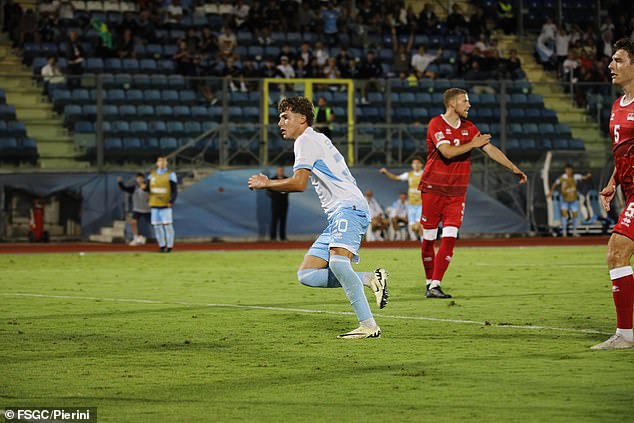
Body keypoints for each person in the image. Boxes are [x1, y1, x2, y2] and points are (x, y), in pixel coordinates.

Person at [248, 96, 388, 339]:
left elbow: (299, 183)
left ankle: (368, 325)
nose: (280, 122)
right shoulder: (315, 138)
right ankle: (368, 278)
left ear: (302, 118)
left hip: (348, 207)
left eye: (285, 117)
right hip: (341, 212)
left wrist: (267, 183)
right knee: (308, 275)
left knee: (337, 263)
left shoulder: (305, 141)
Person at [419, 88, 527, 299]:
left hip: (457, 193)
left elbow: (490, 149)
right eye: (464, 101)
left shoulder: (470, 128)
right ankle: (428, 281)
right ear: (452, 104)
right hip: (432, 188)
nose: (469, 105)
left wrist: (513, 168)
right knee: (429, 239)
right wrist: (473, 144)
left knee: (450, 236)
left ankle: (435, 285)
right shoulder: (436, 124)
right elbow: (447, 151)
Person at [591, 38, 634, 350]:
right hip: (628, 190)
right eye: (611, 60)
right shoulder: (617, 106)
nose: (611, 66)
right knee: (619, 253)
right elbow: (623, 153)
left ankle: (626, 335)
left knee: (616, 251)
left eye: (618, 60)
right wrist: (613, 182)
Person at [379, 156, 424, 240]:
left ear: (421, 165)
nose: (416, 165)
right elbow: (395, 178)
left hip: (421, 204)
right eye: (414, 163)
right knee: (413, 227)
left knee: (419, 224)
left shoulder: (425, 174)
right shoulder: (409, 175)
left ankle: (425, 245)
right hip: (411, 205)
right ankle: (424, 239)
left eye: (418, 163)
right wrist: (386, 172)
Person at [547, 164, 592, 237]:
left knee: (575, 215)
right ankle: (564, 231)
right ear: (565, 170)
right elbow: (555, 183)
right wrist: (551, 192)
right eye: (567, 169)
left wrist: (588, 176)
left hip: (573, 199)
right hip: (564, 199)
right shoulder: (563, 177)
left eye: (570, 169)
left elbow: (584, 177)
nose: (568, 171)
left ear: (572, 170)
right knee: (564, 214)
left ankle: (574, 231)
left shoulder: (575, 176)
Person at [144, 156, 178, 253]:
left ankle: (170, 246)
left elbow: (174, 190)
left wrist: (171, 201)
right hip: (154, 204)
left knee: (167, 225)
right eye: (160, 161)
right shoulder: (152, 175)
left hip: (165, 205)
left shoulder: (170, 175)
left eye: (164, 161)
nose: (162, 163)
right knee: (157, 226)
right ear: (157, 163)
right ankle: (162, 246)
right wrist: (144, 187)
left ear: (166, 163)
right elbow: (148, 188)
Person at [117, 173, 150, 246]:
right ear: (136, 179)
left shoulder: (147, 187)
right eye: (138, 178)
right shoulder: (134, 188)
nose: (139, 179)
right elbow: (125, 189)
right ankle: (136, 238)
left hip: (147, 209)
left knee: (155, 224)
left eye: (141, 178)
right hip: (137, 209)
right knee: (133, 222)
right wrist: (120, 183)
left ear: (143, 179)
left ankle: (163, 238)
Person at [267, 166, 289, 241]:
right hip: (275, 204)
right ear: (277, 171)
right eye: (279, 170)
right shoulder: (272, 180)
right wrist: (275, 196)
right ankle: (273, 237)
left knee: (283, 221)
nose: (280, 172)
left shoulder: (287, 179)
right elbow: (268, 192)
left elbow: (290, 189)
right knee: (274, 220)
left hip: (284, 204)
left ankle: (282, 237)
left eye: (281, 170)